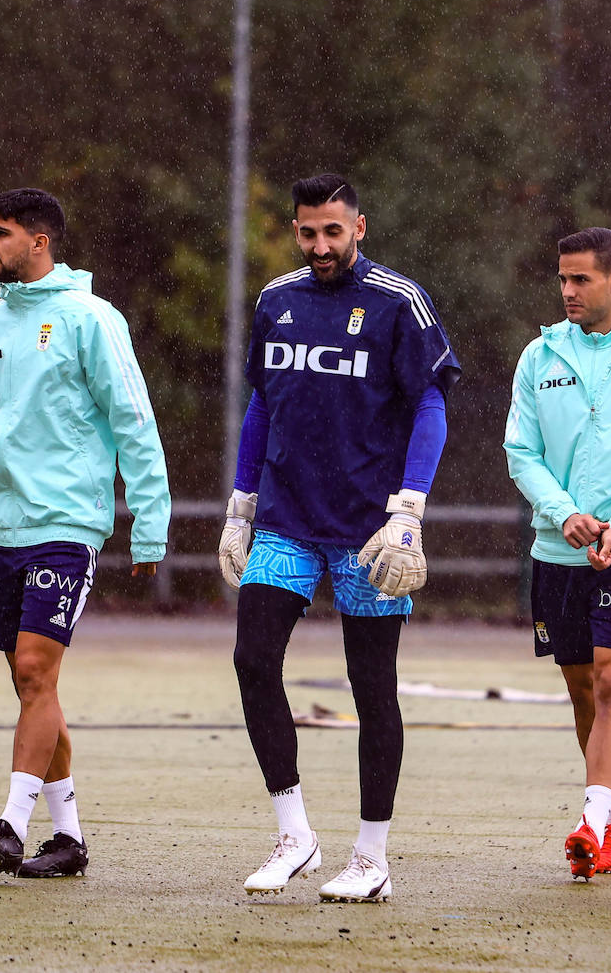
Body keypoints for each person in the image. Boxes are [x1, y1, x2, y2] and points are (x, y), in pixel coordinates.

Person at [0, 187, 170, 878]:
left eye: (0, 234)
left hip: (66, 524)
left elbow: (134, 422)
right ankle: (69, 838)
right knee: (33, 690)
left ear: (39, 241)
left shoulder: (91, 319)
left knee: (33, 670)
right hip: (1, 529)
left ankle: (12, 824)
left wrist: (150, 528)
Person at [220, 173, 460, 902]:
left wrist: (409, 509)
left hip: (369, 531)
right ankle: (295, 836)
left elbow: (430, 403)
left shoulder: (398, 302)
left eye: (333, 231)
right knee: (252, 659)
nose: (320, 245)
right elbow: (263, 400)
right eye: (307, 231)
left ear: (360, 227)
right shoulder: (276, 300)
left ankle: (372, 856)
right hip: (287, 519)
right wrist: (241, 501)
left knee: (371, 686)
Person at [504, 227, 611, 881]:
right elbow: (521, 452)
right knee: (583, 689)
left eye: (581, 279)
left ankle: (590, 824)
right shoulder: (539, 356)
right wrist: (563, 513)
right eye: (562, 278)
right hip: (557, 550)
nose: (567, 290)